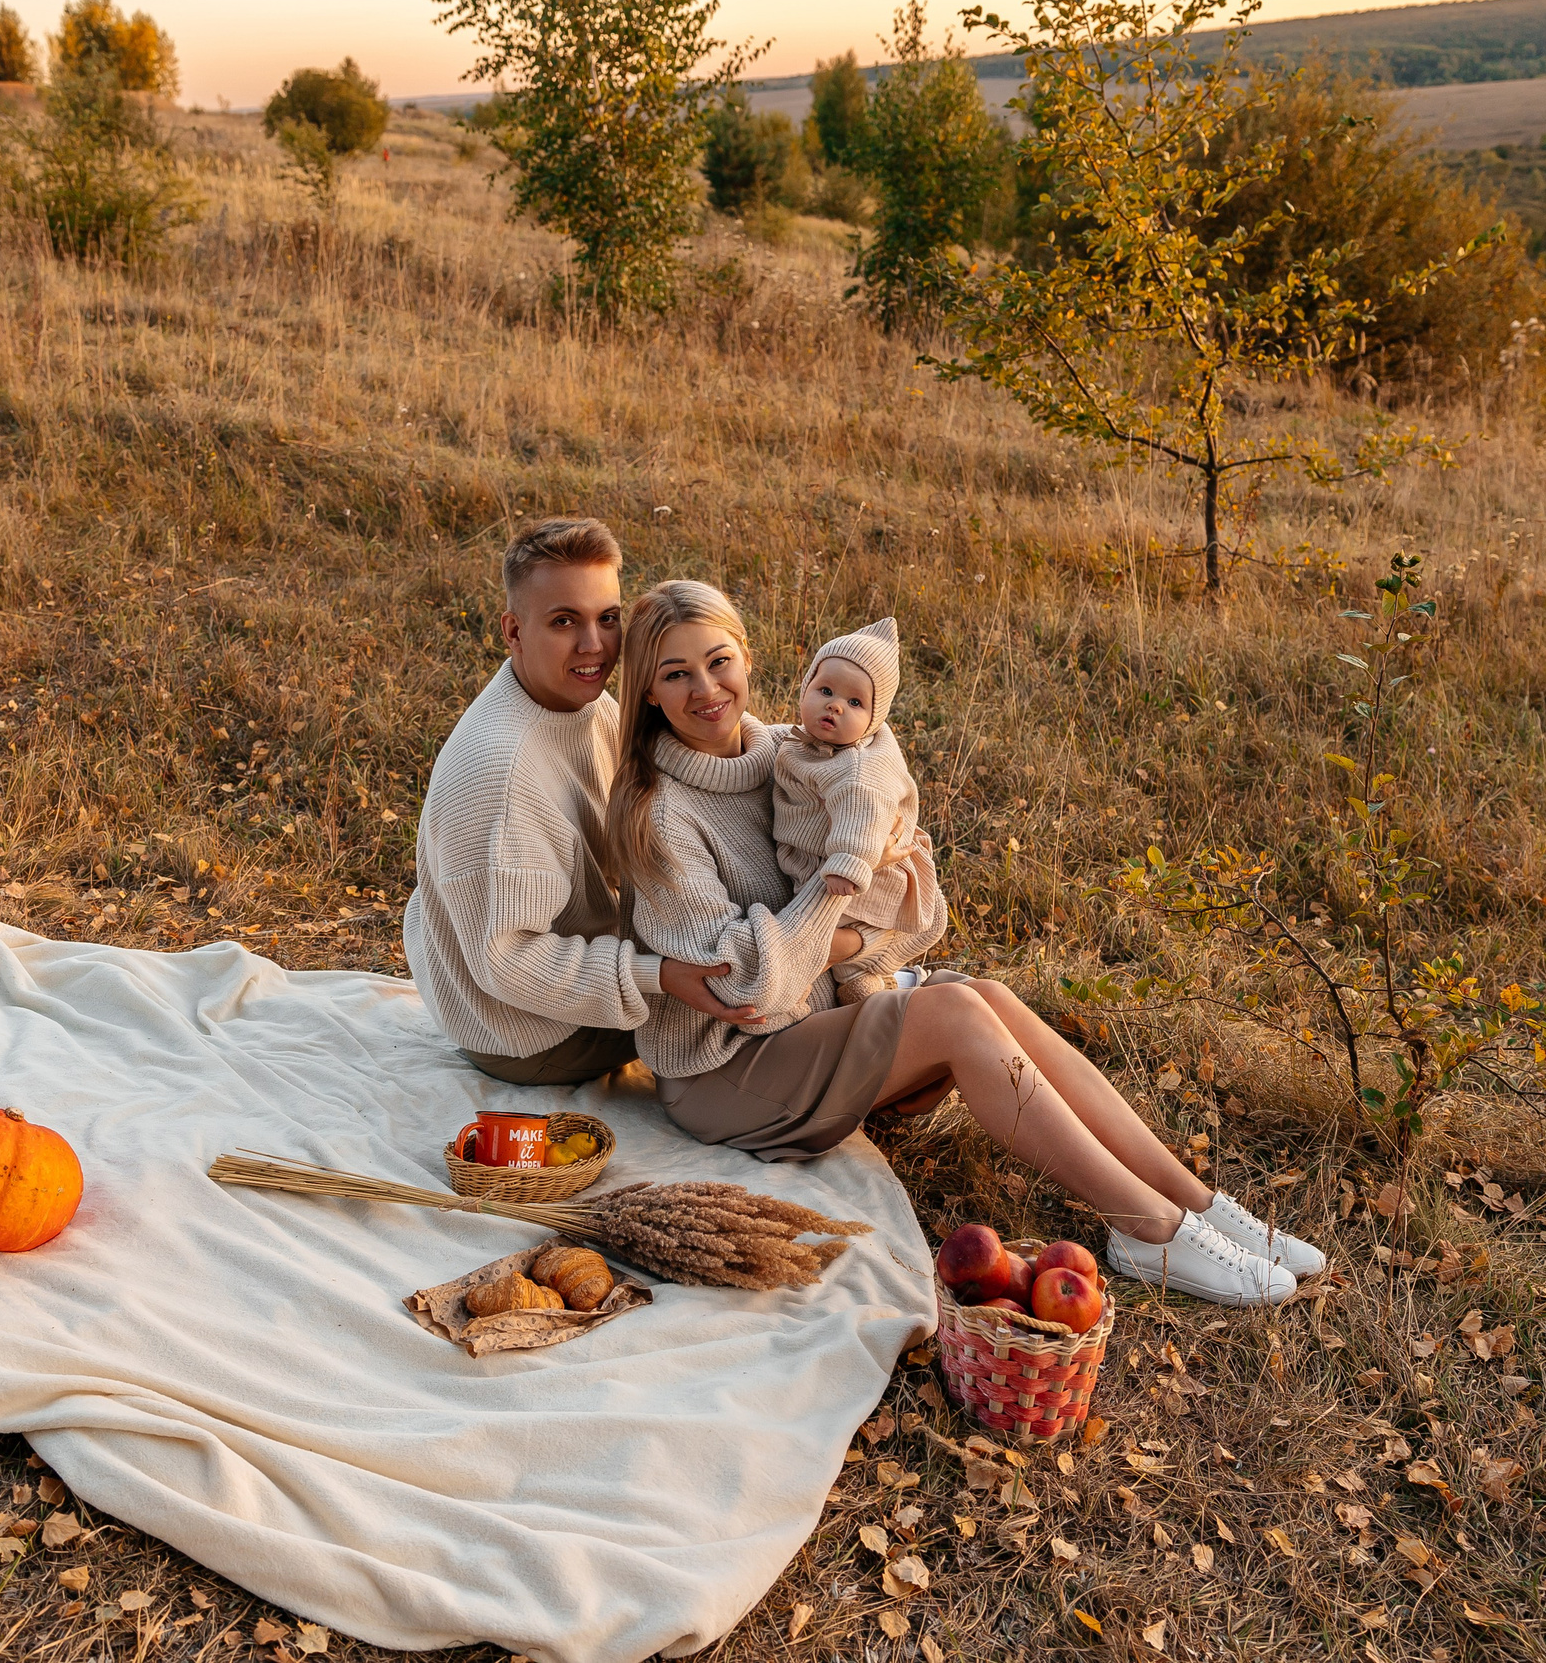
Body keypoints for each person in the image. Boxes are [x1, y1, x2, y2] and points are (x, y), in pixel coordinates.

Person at [609, 579, 1326, 1308]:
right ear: (647, 694)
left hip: (803, 1015)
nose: (706, 688)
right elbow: (743, 985)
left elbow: (919, 909)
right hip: (726, 1070)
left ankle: (1196, 1202)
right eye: (676, 673)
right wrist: (838, 893)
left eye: (719, 660)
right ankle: (1144, 1227)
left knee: (982, 995)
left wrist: (831, 934)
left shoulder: (794, 751)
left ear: (750, 659)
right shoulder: (662, 817)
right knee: (953, 1017)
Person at [401, 520, 756, 1087]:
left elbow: (698, 745)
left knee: (767, 933)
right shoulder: (500, 774)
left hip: (597, 961)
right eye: (565, 621)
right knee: (763, 988)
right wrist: (659, 976)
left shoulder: (581, 702)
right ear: (513, 631)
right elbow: (508, 963)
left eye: (607, 619)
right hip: (531, 1031)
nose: (594, 645)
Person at [771, 616, 943, 1005]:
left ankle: (811, 984)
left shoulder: (859, 766)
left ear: (873, 718)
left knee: (833, 931)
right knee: (846, 955)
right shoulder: (805, 744)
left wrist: (848, 860)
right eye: (825, 690)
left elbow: (864, 812)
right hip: (824, 864)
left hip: (860, 871)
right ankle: (873, 986)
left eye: (854, 702)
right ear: (805, 687)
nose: (835, 706)